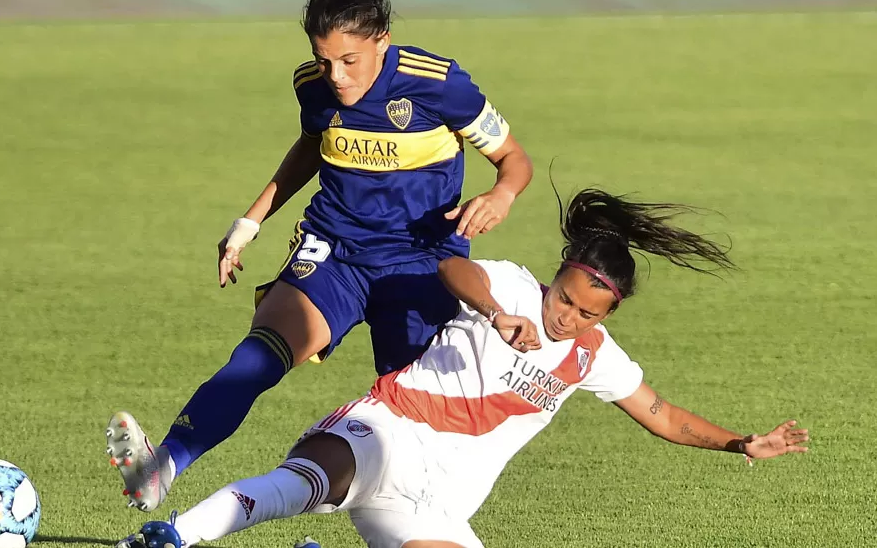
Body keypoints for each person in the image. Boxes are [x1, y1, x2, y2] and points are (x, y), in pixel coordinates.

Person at [112, 187, 810, 548]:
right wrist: (501, 313)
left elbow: (662, 413)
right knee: (305, 481)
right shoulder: (508, 287)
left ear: (608, 316)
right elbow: (452, 266)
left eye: (586, 312)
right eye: (564, 297)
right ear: (557, 276)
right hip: (385, 430)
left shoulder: (594, 357)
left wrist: (738, 441)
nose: (565, 316)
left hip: (434, 507)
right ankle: (173, 534)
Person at [105, 0, 535, 514]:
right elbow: (314, 144)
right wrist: (250, 220)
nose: (337, 76)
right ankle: (163, 465)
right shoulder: (313, 86)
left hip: (422, 266)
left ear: (383, 39)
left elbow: (515, 159)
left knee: (414, 421)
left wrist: (502, 193)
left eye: (349, 60)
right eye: (323, 59)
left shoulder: (440, 84)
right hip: (336, 251)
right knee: (260, 352)